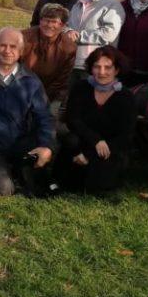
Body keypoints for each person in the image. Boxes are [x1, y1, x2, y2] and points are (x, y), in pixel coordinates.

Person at [0, 28, 55, 197]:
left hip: (19, 142)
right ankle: (7, 177)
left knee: (44, 177)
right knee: (4, 189)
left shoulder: (31, 81)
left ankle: (21, 174)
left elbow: (44, 116)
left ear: (21, 51)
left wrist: (46, 146)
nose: (7, 51)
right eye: (3, 45)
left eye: (13, 47)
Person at [57, 46, 136, 194]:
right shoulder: (81, 87)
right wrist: (96, 140)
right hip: (84, 142)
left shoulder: (126, 97)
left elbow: (126, 135)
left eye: (108, 67)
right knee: (70, 141)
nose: (102, 72)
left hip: (110, 148)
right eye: (97, 67)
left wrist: (90, 155)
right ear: (91, 68)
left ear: (117, 70)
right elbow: (73, 119)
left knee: (99, 186)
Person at [65, 0, 124, 90]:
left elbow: (109, 34)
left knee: (92, 101)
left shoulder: (113, 5)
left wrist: (80, 36)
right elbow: (67, 25)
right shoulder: (78, 4)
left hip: (96, 65)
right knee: (73, 101)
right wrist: (67, 31)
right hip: (72, 63)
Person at [20, 4, 76, 114]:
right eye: (46, 20)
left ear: (63, 25)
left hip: (52, 94)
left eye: (54, 22)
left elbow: (62, 80)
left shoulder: (69, 47)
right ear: (40, 21)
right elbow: (12, 66)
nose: (49, 25)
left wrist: (41, 99)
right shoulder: (24, 37)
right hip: (21, 89)